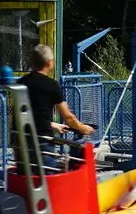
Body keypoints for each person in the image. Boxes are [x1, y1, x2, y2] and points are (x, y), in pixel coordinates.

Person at [16, 45, 93, 173]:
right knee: (48, 183)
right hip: (41, 144)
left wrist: (53, 125)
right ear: (49, 63)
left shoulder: (20, 83)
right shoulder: (51, 85)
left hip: (20, 144)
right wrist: (83, 128)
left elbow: (29, 115)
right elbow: (68, 117)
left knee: (26, 182)